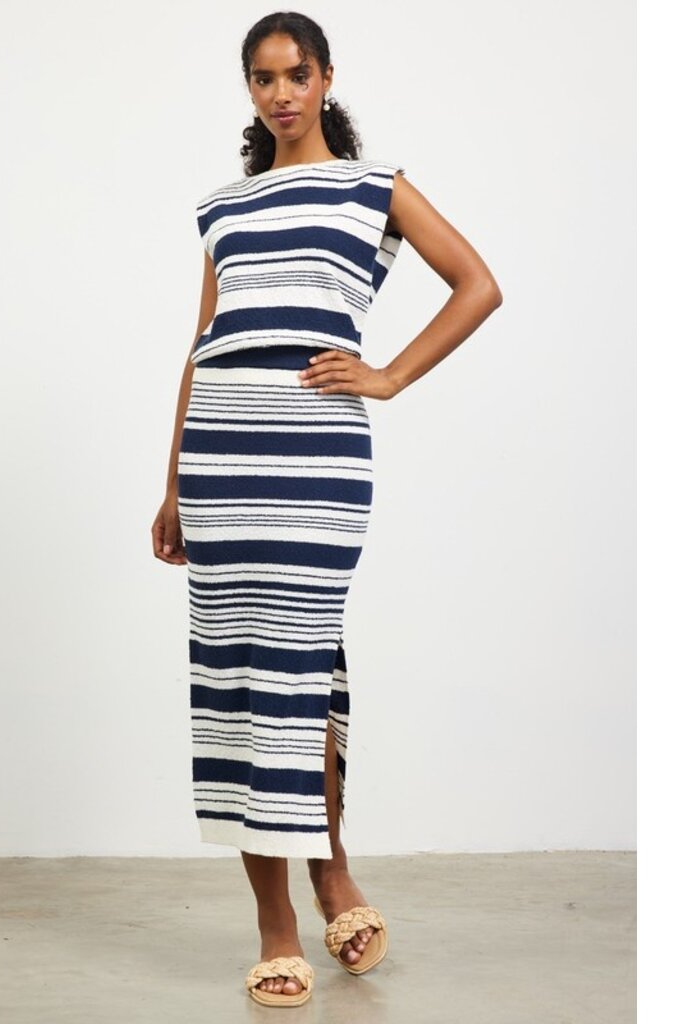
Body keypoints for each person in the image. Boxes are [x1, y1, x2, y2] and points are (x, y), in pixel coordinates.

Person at [152, 11, 502, 1008]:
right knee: (236, 678)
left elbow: (477, 285)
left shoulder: (373, 185)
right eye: (263, 78)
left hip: (316, 455)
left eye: (296, 74)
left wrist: (387, 375)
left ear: (326, 77)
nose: (281, 93)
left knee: (299, 668)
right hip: (221, 454)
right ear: (249, 88)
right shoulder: (223, 208)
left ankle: (331, 869)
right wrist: (173, 483)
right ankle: (277, 921)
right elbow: (202, 346)